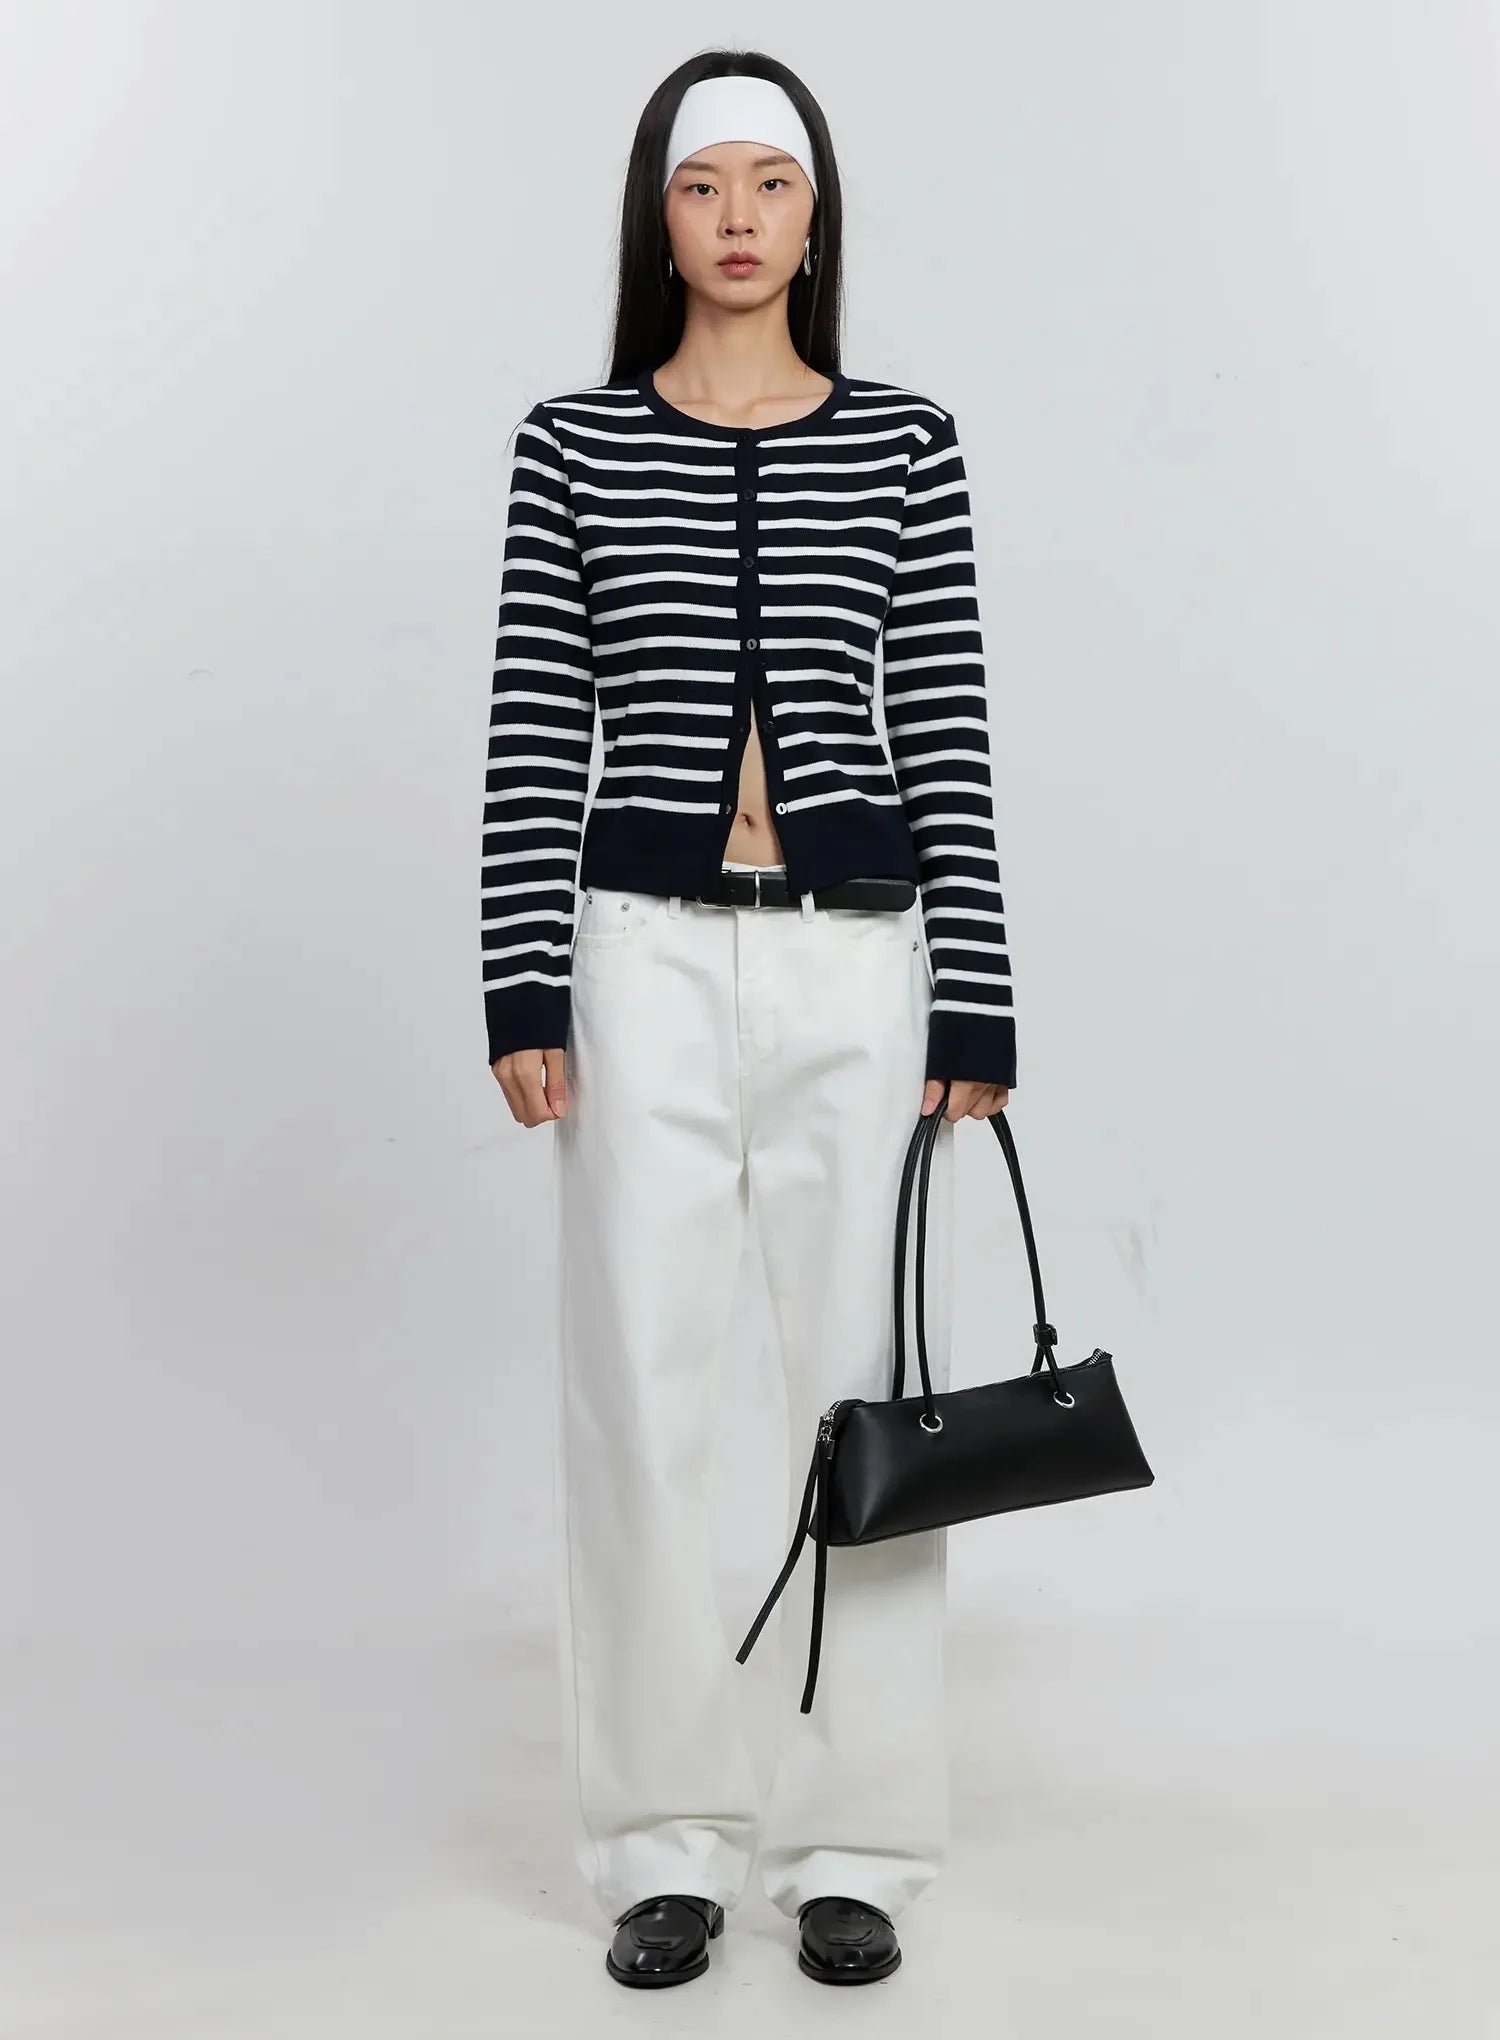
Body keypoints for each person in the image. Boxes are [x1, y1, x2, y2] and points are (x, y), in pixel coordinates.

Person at [481, 50, 1016, 1989]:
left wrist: (980, 996)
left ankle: (859, 1841)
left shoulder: (905, 442)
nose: (734, 218)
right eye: (700, 184)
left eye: (768, 185)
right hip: (635, 957)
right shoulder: (571, 442)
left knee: (865, 1399)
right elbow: (536, 717)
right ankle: (660, 1844)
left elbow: (943, 718)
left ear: (813, 216)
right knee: (637, 1395)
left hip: (856, 965)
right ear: (659, 214)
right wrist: (520, 978)